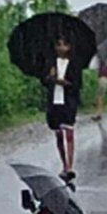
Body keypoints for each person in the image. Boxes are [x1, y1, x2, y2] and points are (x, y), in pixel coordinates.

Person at [44, 36, 81, 183]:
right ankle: (64, 164)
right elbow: (45, 81)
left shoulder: (74, 64)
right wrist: (50, 77)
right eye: (58, 44)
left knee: (69, 133)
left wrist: (64, 82)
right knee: (59, 135)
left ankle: (70, 166)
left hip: (68, 102)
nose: (61, 48)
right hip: (54, 102)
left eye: (64, 44)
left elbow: (77, 84)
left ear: (69, 47)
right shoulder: (50, 63)